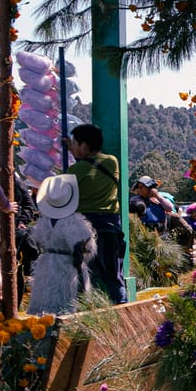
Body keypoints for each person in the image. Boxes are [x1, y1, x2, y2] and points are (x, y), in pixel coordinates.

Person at [65, 123, 126, 302]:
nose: (73, 147)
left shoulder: (75, 170)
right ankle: (124, 310)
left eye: (75, 143)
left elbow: (78, 177)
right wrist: (77, 155)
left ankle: (86, 315)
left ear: (83, 146)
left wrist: (74, 158)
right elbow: (91, 170)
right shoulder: (112, 162)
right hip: (110, 226)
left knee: (84, 276)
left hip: (84, 229)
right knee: (113, 276)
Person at [26, 174, 96, 315]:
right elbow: (87, 246)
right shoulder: (74, 221)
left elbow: (38, 239)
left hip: (46, 263)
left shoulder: (44, 220)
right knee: (66, 302)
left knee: (46, 296)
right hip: (66, 266)